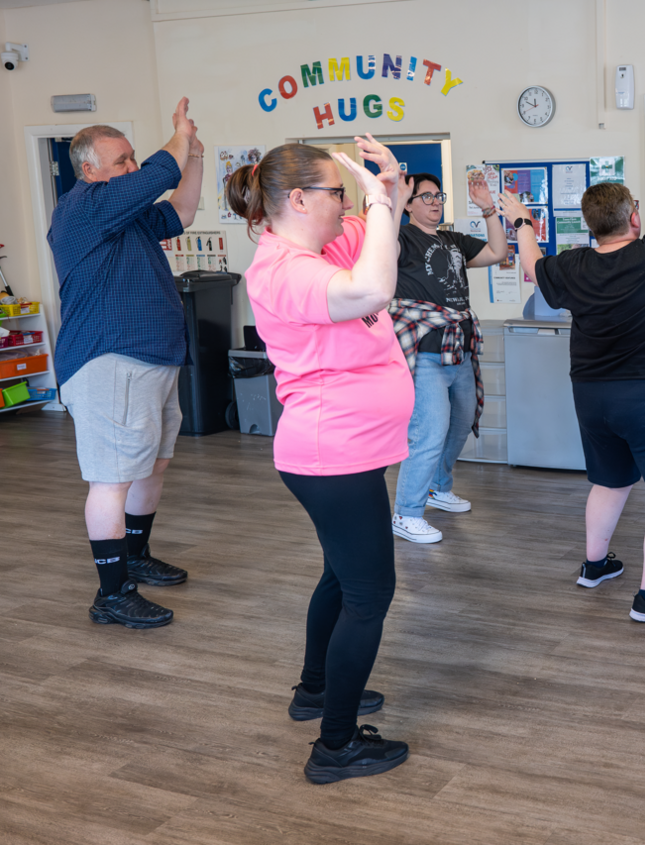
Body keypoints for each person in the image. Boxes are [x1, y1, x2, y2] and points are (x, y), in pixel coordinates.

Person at [228, 136, 414, 784]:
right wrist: (378, 201)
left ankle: (315, 690)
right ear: (300, 199)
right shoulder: (282, 270)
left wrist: (385, 189)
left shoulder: (321, 243)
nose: (346, 205)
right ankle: (334, 745)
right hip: (330, 453)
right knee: (369, 594)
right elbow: (371, 289)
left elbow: (381, 237)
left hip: (344, 450)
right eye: (337, 192)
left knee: (341, 576)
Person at [497, 139, 645, 623]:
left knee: (610, 482)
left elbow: (531, 265)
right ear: (634, 217)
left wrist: (523, 220)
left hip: (592, 397)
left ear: (591, 225)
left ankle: (595, 566)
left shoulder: (573, 266)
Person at [48, 99, 203, 629]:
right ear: (90, 170)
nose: (133, 169)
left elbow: (179, 213)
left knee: (151, 466)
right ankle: (111, 594)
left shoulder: (127, 213)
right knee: (112, 480)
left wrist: (195, 156)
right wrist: (178, 136)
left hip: (152, 359)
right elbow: (162, 171)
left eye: (133, 158)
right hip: (108, 361)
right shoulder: (86, 207)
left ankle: (135, 555)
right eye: (122, 162)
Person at [389, 173, 507, 544]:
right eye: (425, 197)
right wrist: (393, 204)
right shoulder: (401, 239)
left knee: (462, 423)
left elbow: (497, 252)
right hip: (425, 354)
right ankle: (406, 513)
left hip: (459, 351)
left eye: (438, 196)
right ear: (408, 204)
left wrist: (488, 208)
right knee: (429, 431)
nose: (435, 202)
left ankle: (438, 487)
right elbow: (382, 250)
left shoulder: (453, 239)